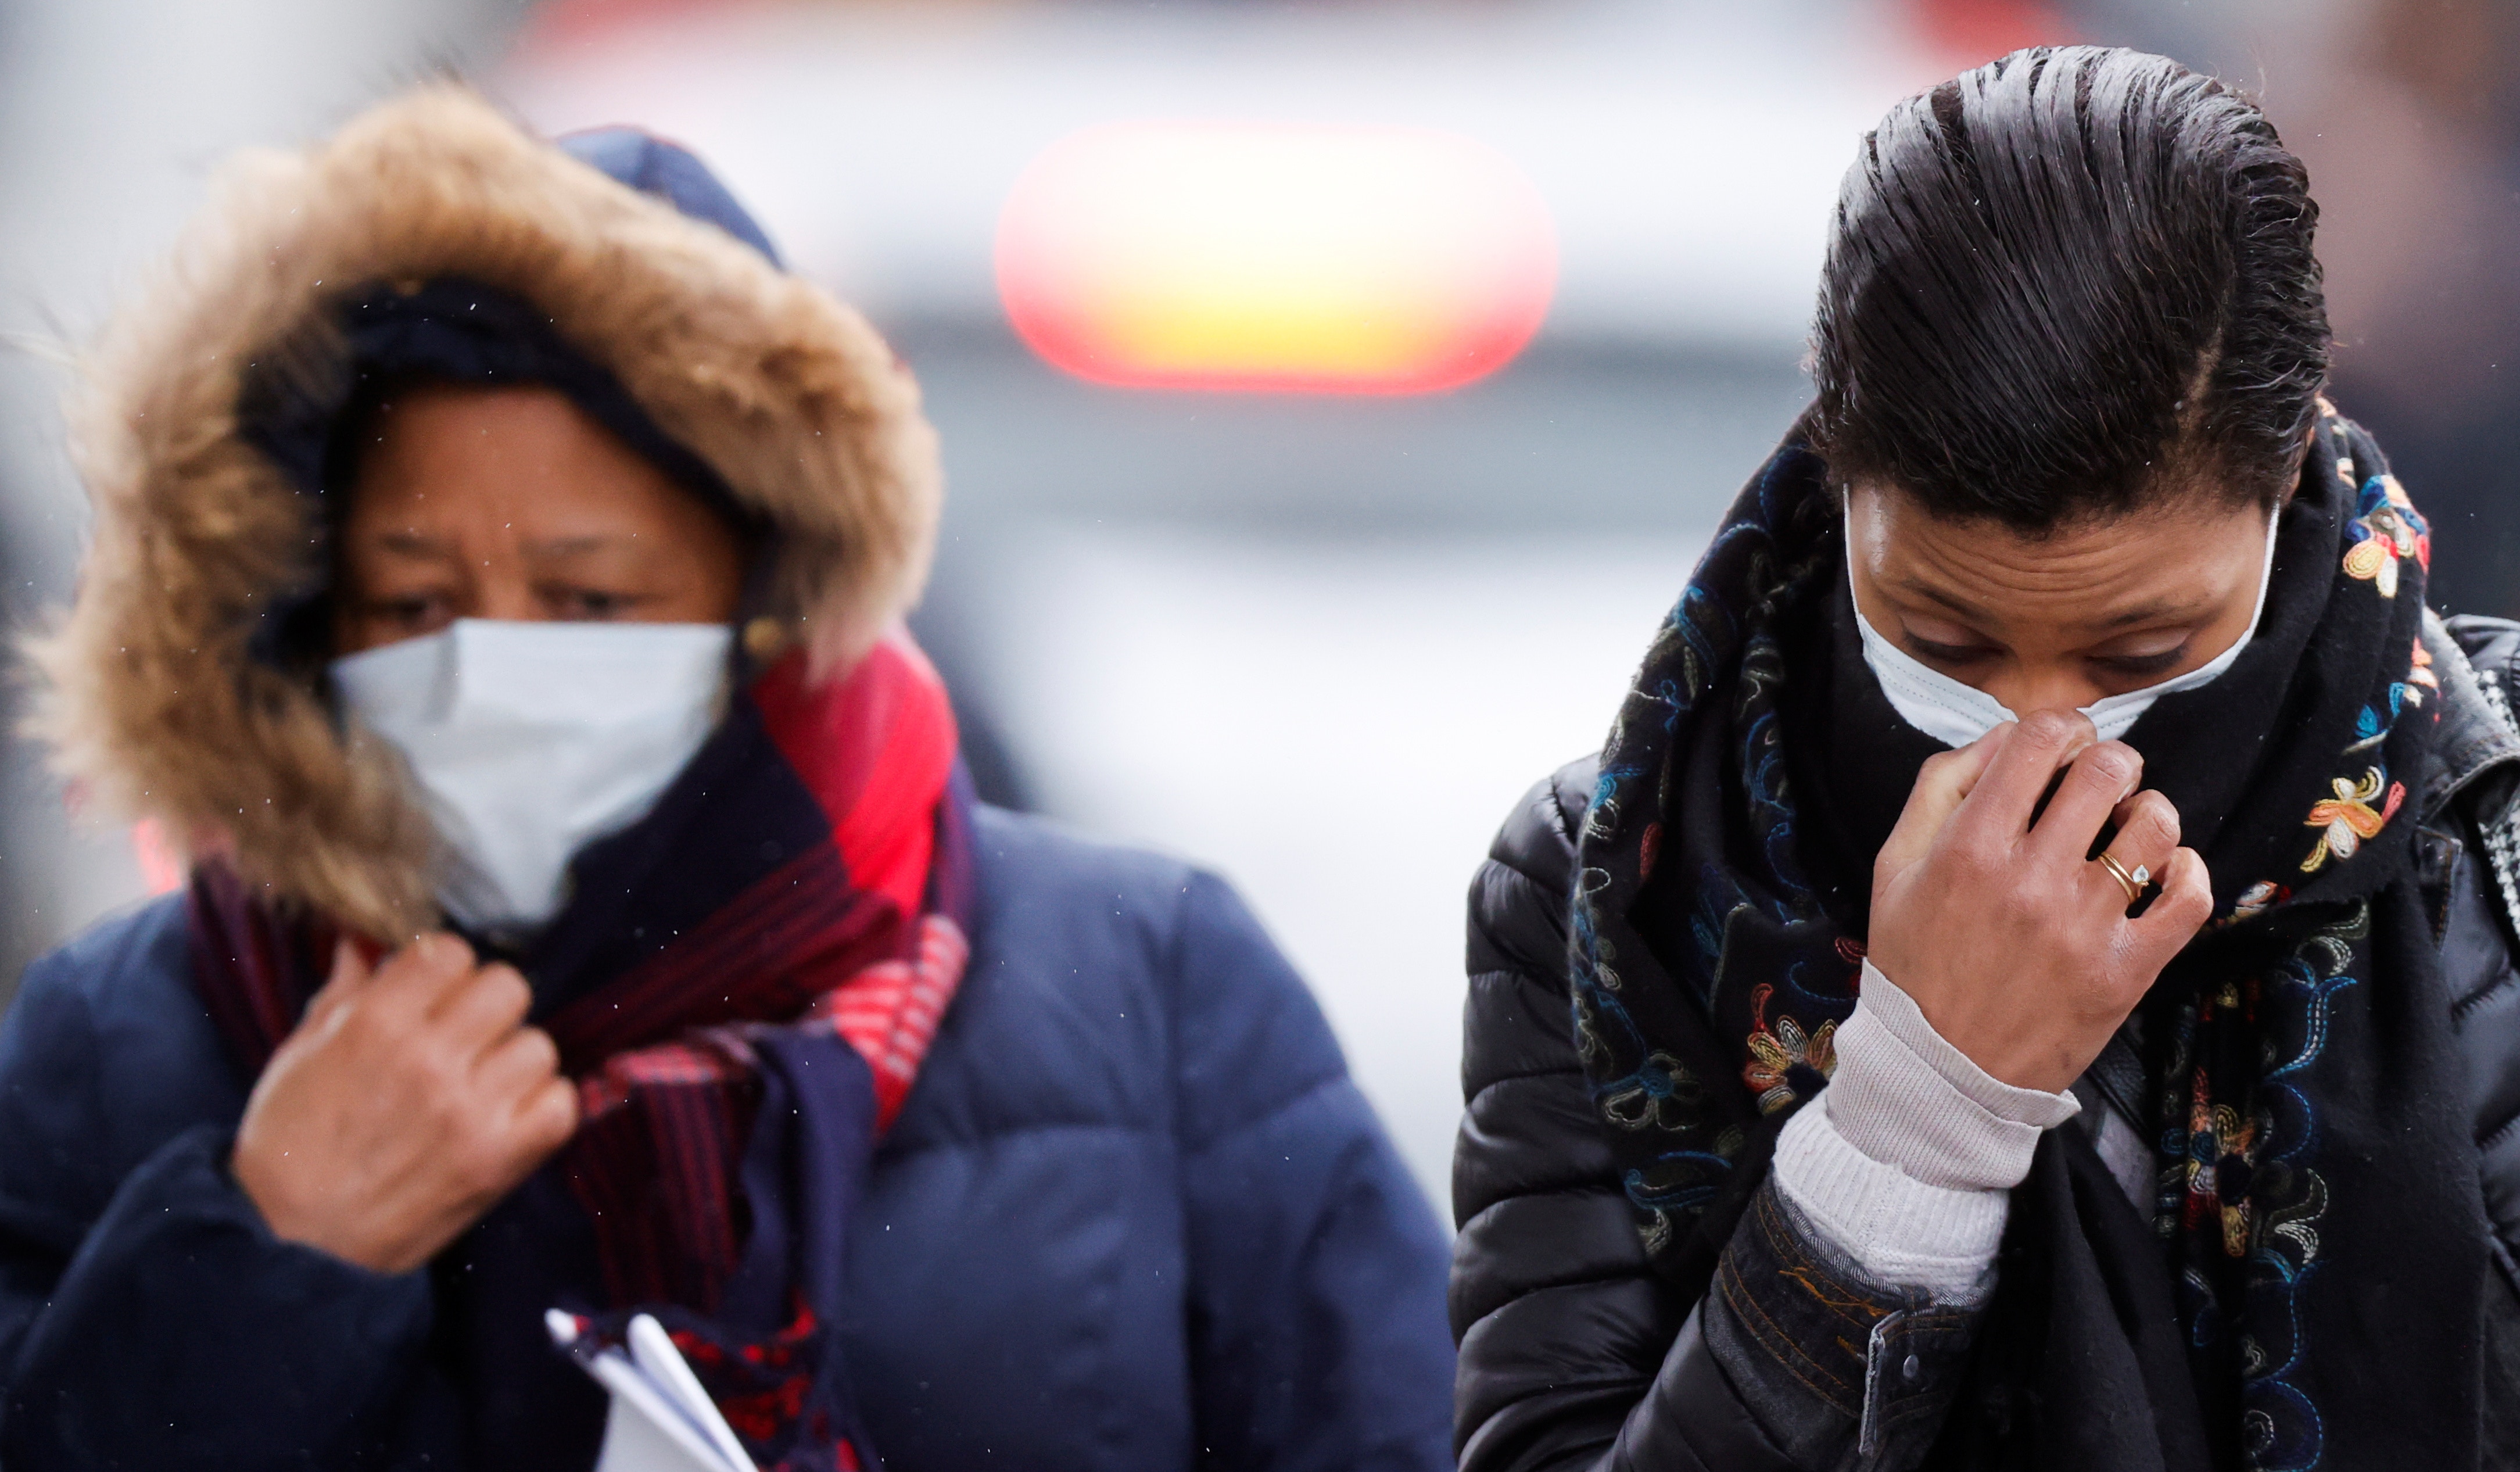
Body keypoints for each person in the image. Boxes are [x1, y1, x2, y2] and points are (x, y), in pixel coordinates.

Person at [0, 87, 1454, 1471]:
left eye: (590, 603)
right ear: (310, 607)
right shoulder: (132, 1036)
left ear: (760, 598)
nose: (490, 663)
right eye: (415, 602)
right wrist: (269, 1249)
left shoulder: (1147, 984)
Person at [1453, 46, 2520, 1472]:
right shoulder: (1614, 888)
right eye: (1944, 643)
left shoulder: (2494, 829)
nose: (2038, 740)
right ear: (1841, 479)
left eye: (2141, 656)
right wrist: (1912, 1129)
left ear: (2282, 488)